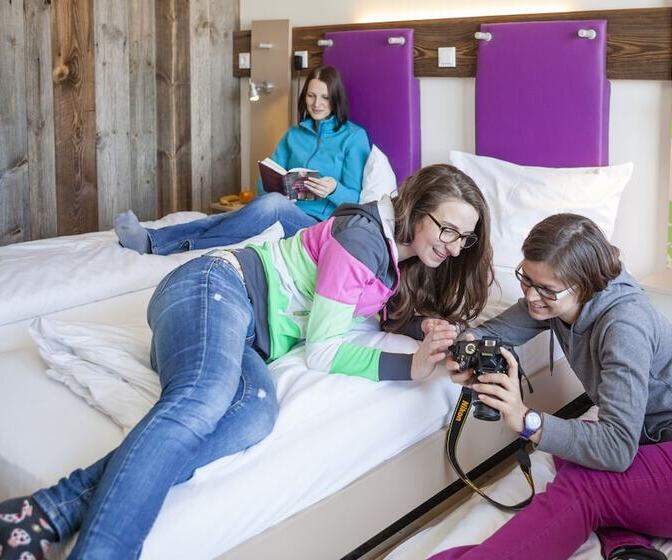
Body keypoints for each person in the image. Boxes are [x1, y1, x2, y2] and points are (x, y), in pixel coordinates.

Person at [0, 164, 494, 559]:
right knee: (201, 400)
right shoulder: (363, 239)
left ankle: (44, 510)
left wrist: (423, 327)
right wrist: (406, 368)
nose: (452, 247)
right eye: (446, 229)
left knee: (254, 413)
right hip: (214, 287)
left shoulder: (396, 254)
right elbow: (322, 351)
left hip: (232, 330)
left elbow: (374, 308)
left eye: (464, 238)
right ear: (415, 207)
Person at [434, 213, 672, 560]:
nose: (531, 296)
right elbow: (490, 333)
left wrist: (526, 419)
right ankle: (629, 546)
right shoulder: (557, 300)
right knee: (571, 446)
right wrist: (464, 348)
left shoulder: (624, 327)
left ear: (584, 284)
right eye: (526, 279)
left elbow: (618, 449)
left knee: (584, 484)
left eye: (546, 289)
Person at [114, 65, 370, 255]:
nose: (316, 103)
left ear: (335, 98)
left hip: (315, 225)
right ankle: (150, 239)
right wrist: (275, 185)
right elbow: (265, 181)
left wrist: (333, 188)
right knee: (222, 218)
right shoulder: (294, 134)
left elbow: (357, 200)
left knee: (269, 205)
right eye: (311, 96)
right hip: (279, 205)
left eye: (324, 97)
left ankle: (170, 245)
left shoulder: (354, 137)